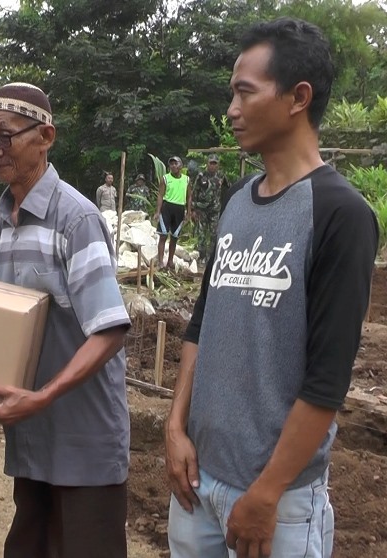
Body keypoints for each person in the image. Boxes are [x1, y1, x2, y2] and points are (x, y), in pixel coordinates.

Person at [165, 18, 378, 558]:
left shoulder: (341, 215)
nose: (231, 109)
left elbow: (327, 381)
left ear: (297, 98)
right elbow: (201, 323)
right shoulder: (237, 198)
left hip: (275, 504)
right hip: (197, 486)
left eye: (244, 92)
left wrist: (266, 492)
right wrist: (174, 427)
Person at [0, 82, 131, 558]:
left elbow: (110, 330)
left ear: (46, 136)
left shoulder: (75, 220)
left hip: (84, 447)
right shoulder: (4, 220)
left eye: (5, 136)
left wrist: (41, 397)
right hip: (33, 442)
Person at [190, 154, 229, 264]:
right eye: (210, 163)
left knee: (213, 234)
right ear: (207, 164)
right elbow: (194, 192)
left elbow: (228, 190)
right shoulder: (201, 176)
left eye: (214, 163)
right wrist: (192, 210)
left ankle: (210, 258)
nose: (212, 165)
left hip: (214, 210)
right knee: (201, 234)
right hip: (201, 209)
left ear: (218, 165)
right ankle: (201, 256)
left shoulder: (221, 176)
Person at [154, 156, 191, 270]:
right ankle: (160, 262)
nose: (173, 166)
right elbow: (160, 195)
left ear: (181, 166)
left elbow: (189, 196)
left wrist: (189, 212)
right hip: (167, 208)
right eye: (171, 164)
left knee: (174, 237)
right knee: (163, 236)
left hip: (179, 209)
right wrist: (157, 211)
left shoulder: (186, 179)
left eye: (176, 163)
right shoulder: (165, 178)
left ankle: (170, 261)